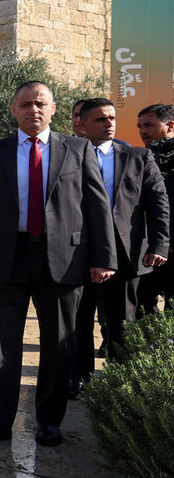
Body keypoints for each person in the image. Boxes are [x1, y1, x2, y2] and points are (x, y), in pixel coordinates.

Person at [0, 81, 115, 450]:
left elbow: (97, 207)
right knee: (2, 344)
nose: (34, 110)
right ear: (13, 110)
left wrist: (103, 258)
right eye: (26, 104)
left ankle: (49, 421)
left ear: (54, 110)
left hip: (64, 261)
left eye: (41, 104)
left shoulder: (77, 149)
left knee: (58, 344)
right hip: (7, 260)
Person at [74, 99, 168, 381]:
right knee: (77, 320)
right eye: (101, 119)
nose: (110, 123)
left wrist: (159, 244)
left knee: (121, 321)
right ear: (83, 124)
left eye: (112, 118)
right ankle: (79, 378)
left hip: (125, 253)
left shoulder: (138, 157)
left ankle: (119, 380)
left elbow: (158, 203)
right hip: (76, 251)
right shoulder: (67, 155)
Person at [137, 103, 174, 314]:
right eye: (140, 126)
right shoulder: (140, 160)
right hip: (149, 248)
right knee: (142, 305)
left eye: (148, 125)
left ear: (170, 126)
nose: (143, 131)